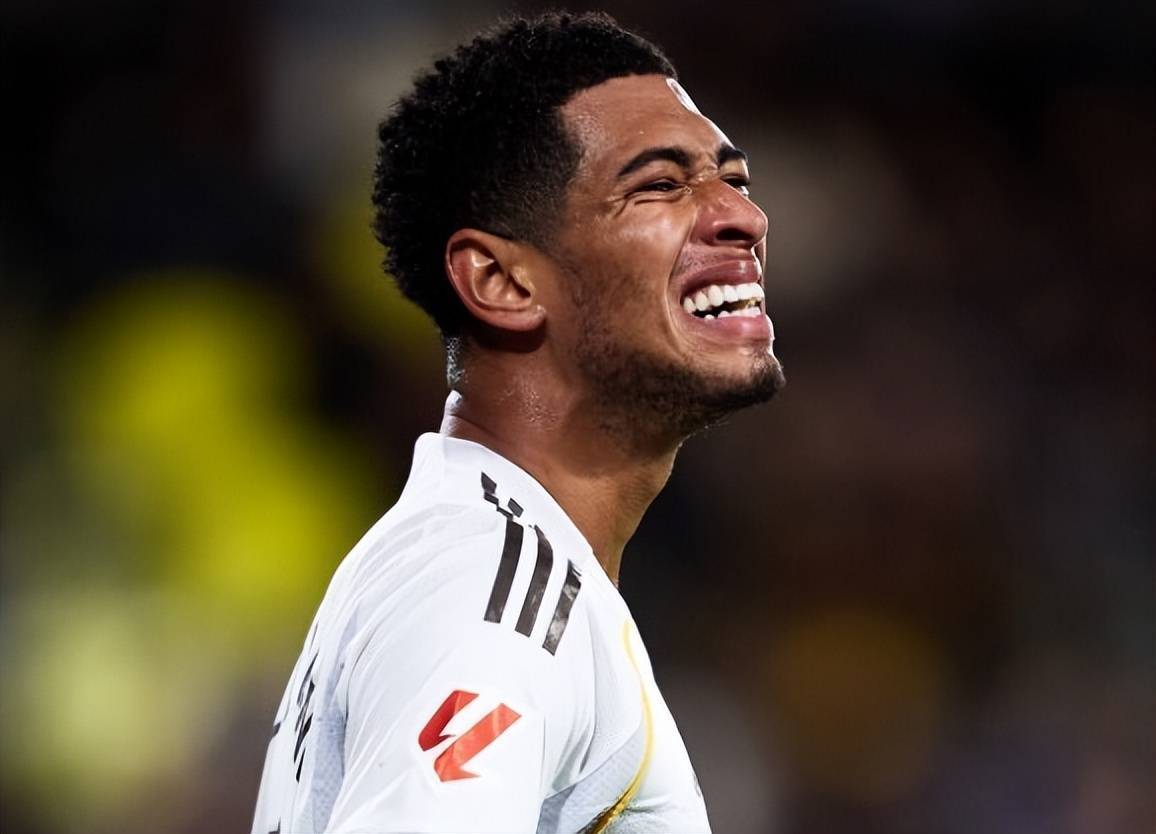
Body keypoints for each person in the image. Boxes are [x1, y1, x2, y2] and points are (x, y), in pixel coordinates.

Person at [251, 12, 784, 834]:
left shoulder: (484, 559)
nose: (742, 217)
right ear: (502, 282)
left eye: (733, 180)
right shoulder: (491, 587)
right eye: (659, 185)